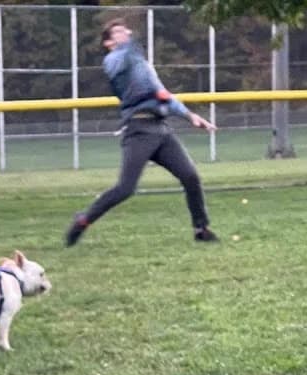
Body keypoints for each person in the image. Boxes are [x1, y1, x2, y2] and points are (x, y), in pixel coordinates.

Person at [66, 19, 218, 247]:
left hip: (161, 129)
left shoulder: (141, 62)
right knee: (125, 189)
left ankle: (201, 229)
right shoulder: (113, 60)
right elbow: (124, 58)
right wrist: (127, 43)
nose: (124, 33)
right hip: (138, 130)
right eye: (116, 32)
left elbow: (162, 94)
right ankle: (84, 220)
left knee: (190, 177)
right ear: (108, 42)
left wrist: (190, 116)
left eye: (124, 30)